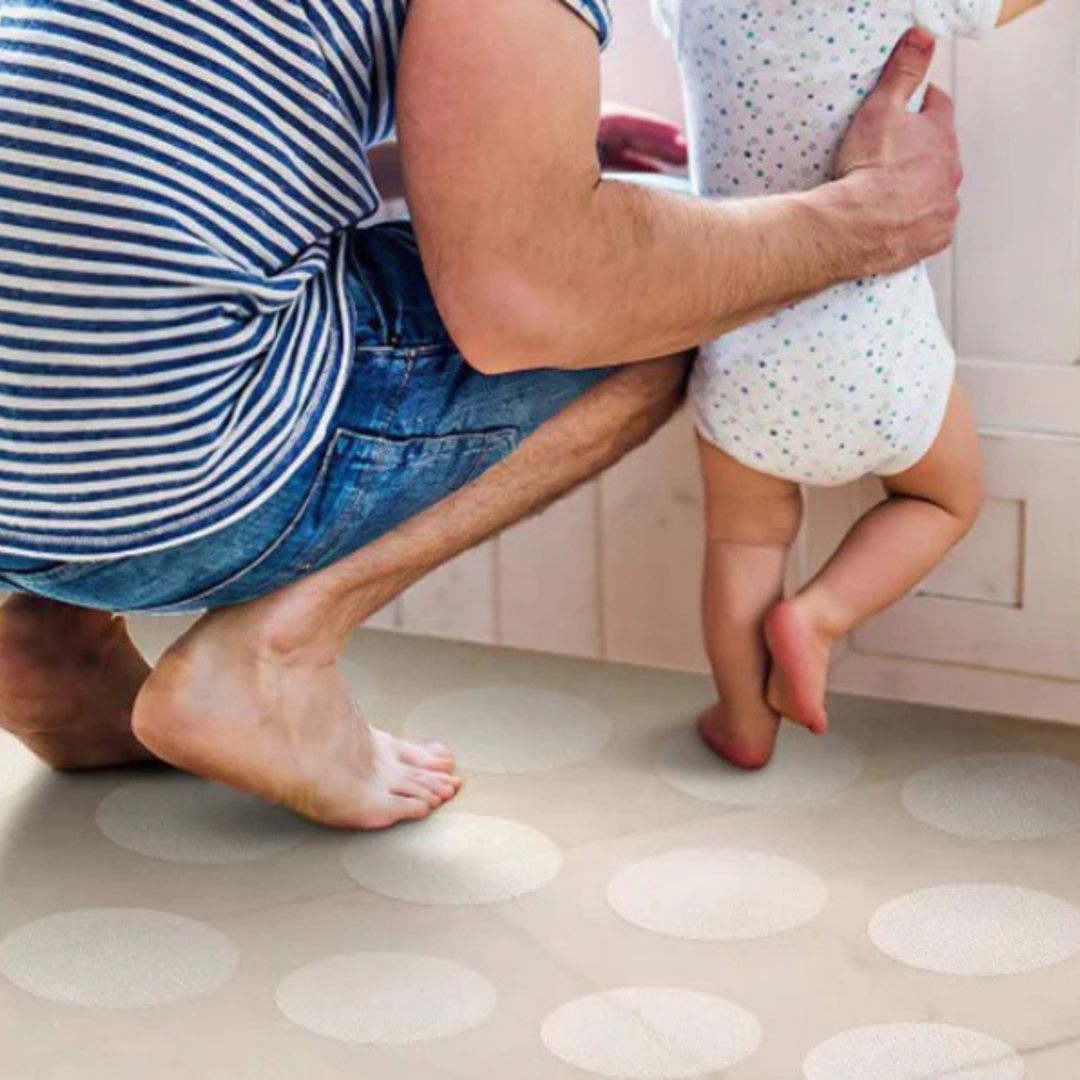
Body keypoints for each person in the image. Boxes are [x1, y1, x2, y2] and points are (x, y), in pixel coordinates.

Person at [0, 0, 963, 829]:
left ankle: (48, 634)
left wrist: (491, 156)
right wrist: (865, 220)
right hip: (166, 480)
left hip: (17, 498)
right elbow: (528, 302)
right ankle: (275, 653)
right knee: (658, 301)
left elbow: (151, 130)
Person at [655, 0, 1044, 768]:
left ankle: (744, 723)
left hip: (741, 332)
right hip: (872, 342)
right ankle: (819, 617)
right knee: (943, 500)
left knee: (743, 540)